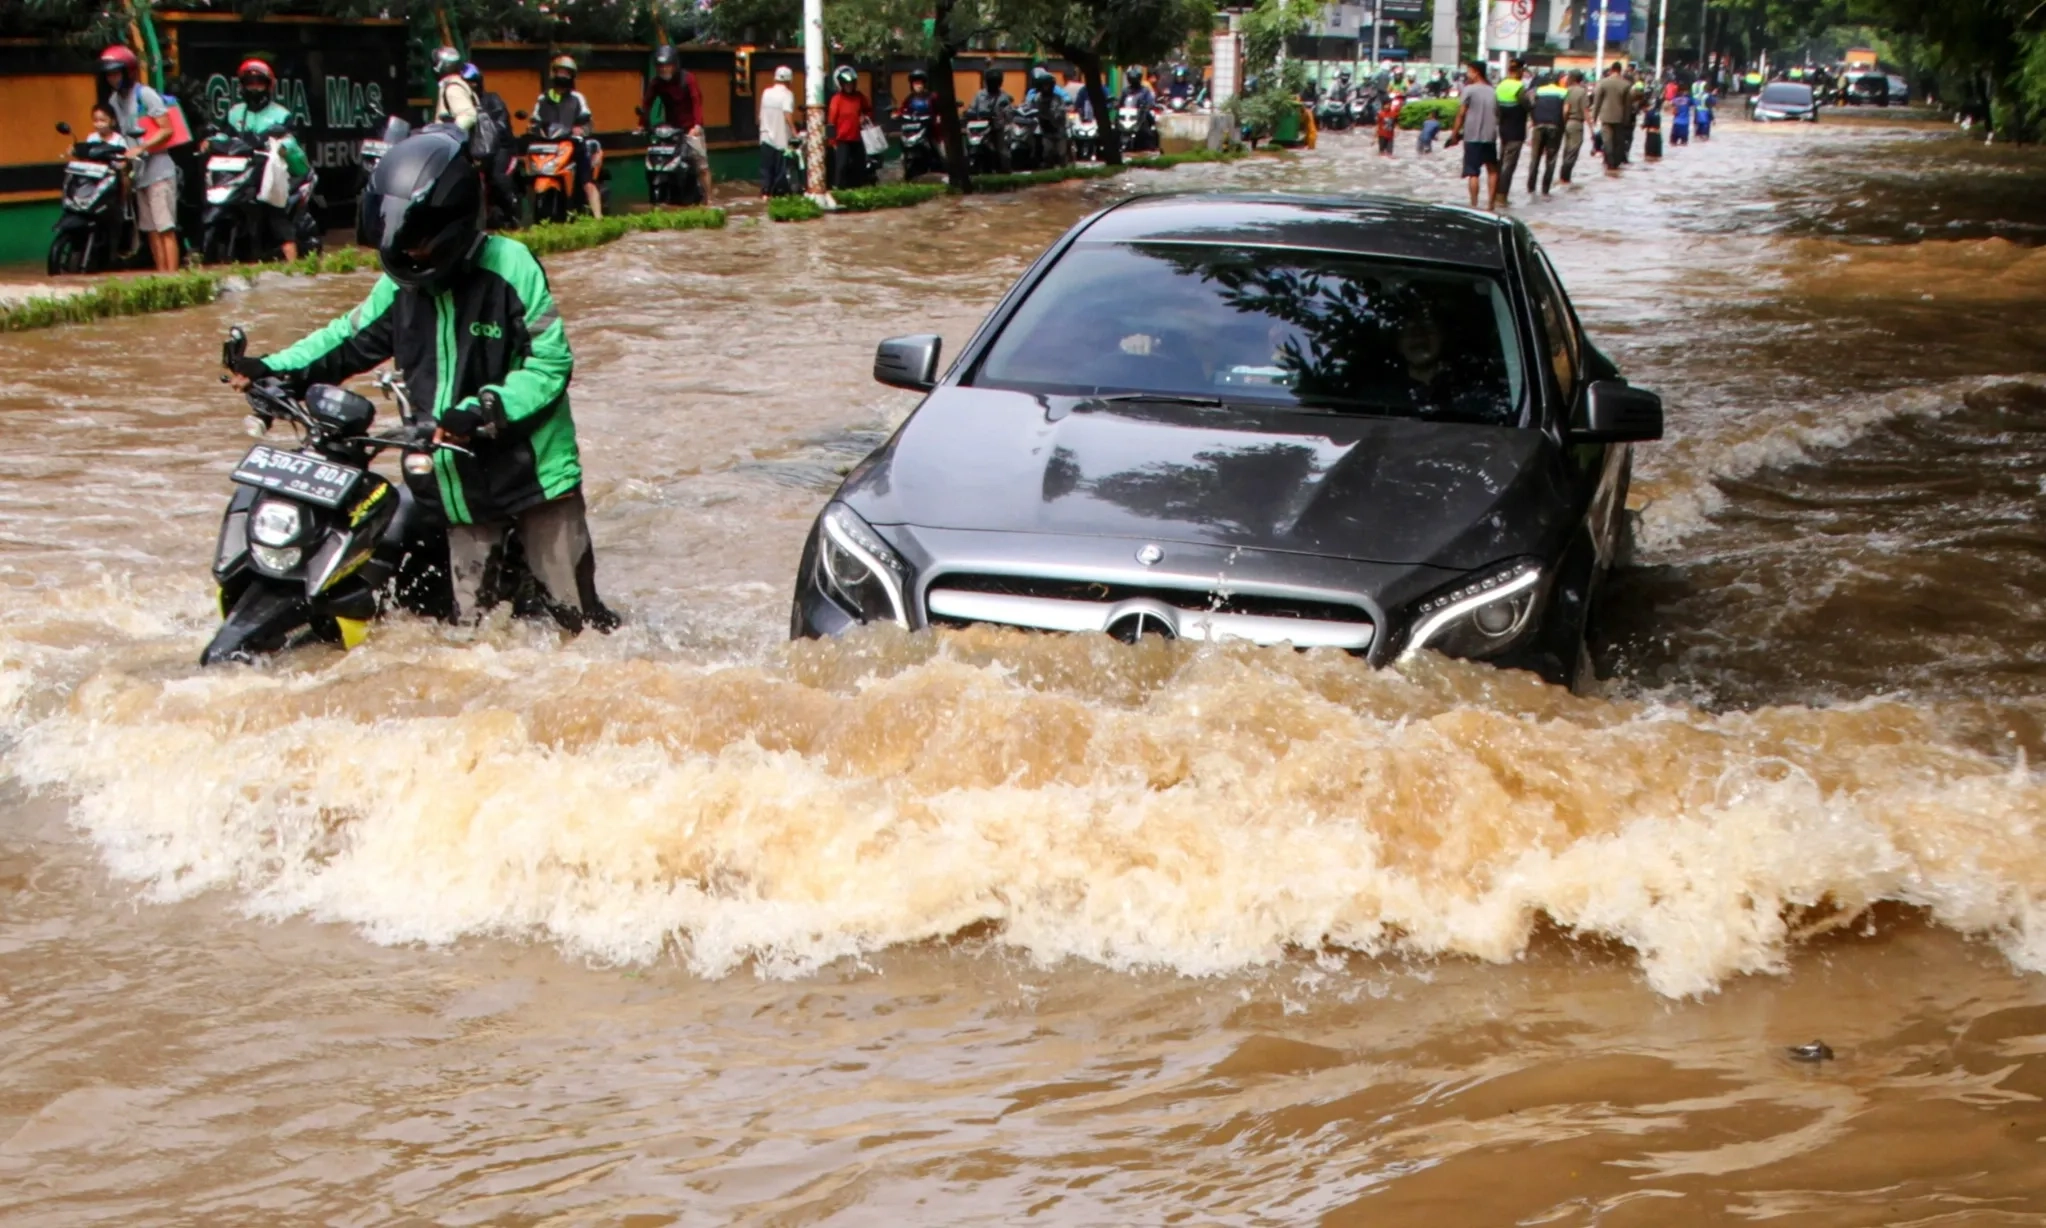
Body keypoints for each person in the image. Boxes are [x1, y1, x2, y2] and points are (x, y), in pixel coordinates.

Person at [226, 130, 611, 633]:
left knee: (574, 626)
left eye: (421, 239)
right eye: (401, 240)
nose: (412, 251)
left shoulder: (510, 266)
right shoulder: (400, 287)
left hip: (532, 478)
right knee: (478, 633)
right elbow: (347, 338)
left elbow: (550, 364)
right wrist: (273, 369)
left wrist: (486, 408)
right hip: (456, 484)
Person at [99, 44, 180, 273]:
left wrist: (142, 147)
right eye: (109, 74)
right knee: (150, 230)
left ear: (128, 71)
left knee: (165, 228)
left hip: (159, 171)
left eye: (116, 73)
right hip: (140, 174)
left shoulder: (145, 95)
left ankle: (173, 278)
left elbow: (167, 129)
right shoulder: (115, 100)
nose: (113, 79)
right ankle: (162, 275)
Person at [224, 59, 310, 261]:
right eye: (249, 83)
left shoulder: (281, 115)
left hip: (272, 176)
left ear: (268, 86)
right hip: (240, 173)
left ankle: (293, 265)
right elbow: (224, 137)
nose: (254, 88)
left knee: (276, 215)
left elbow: (293, 145)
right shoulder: (235, 113)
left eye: (258, 83)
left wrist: (281, 143)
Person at [641, 45, 712, 206]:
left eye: (667, 65)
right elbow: (647, 102)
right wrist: (642, 124)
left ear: (675, 65)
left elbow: (696, 102)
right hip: (670, 129)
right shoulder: (657, 82)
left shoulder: (688, 79)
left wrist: (697, 125)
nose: (664, 69)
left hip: (690, 128)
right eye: (660, 67)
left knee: (701, 164)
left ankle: (709, 199)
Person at [534, 55, 601, 218]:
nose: (562, 76)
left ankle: (599, 218)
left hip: (573, 144)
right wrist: (533, 127)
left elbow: (587, 120)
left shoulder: (577, 98)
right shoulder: (543, 99)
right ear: (553, 74)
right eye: (560, 72)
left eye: (566, 73)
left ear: (572, 76)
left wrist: (579, 129)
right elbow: (535, 118)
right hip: (549, 146)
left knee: (587, 182)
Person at [463, 62, 518, 227]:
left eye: (473, 82)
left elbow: (501, 128)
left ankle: (512, 213)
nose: (470, 86)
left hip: (499, 148)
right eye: (466, 83)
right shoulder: (462, 105)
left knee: (498, 178)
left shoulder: (492, 100)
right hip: (471, 149)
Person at [1447, 60, 1500, 211]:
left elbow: (1461, 113)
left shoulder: (1469, 90)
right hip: (1490, 137)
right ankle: (1490, 205)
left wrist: (1454, 134)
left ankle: (1474, 205)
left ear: (1476, 72)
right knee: (1492, 170)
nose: (1467, 74)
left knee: (1473, 172)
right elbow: (1498, 114)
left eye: (1469, 71)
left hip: (1472, 136)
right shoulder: (1492, 90)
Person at [825, 65, 872, 189]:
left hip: (857, 138)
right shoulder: (837, 99)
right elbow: (831, 121)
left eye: (851, 83)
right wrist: (832, 141)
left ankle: (858, 189)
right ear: (841, 84)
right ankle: (839, 189)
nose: (849, 86)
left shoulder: (859, 97)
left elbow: (869, 110)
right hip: (842, 139)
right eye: (846, 84)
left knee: (859, 166)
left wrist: (865, 117)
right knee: (841, 166)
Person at [757, 65, 798, 196]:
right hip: (780, 141)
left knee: (766, 169)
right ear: (789, 80)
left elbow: (760, 116)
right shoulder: (787, 94)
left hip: (765, 137)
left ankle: (765, 195)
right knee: (780, 173)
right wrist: (794, 132)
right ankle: (777, 196)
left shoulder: (766, 92)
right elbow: (787, 114)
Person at [1494, 59, 1528, 207]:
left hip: (1503, 130)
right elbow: (1528, 105)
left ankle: (1494, 194)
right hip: (1517, 131)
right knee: (1509, 165)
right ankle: (1501, 197)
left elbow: (1496, 110)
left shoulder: (1500, 86)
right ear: (1520, 71)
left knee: (1501, 162)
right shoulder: (1519, 87)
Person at [1526, 73, 1566, 197]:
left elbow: (1530, 105)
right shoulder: (1563, 92)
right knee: (1551, 159)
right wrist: (1561, 126)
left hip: (1538, 125)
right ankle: (1545, 189)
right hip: (1554, 126)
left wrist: (1533, 120)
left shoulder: (1537, 91)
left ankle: (1531, 188)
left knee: (1535, 158)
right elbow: (1565, 111)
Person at [969, 67, 1017, 168]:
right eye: (991, 82)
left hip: (997, 128)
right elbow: (972, 109)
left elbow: (1009, 114)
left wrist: (1002, 116)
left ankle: (1005, 171)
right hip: (980, 128)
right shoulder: (980, 95)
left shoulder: (1004, 97)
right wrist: (969, 114)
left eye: (995, 82)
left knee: (1002, 152)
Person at [1592, 62, 1631, 174]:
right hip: (1619, 118)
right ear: (1620, 70)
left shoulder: (1603, 83)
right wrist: (1626, 120)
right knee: (1618, 143)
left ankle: (1609, 164)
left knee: (1607, 141)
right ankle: (1616, 165)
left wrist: (1594, 118)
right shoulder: (1626, 84)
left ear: (1611, 70)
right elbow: (1627, 105)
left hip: (1605, 117)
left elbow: (1597, 102)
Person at [432, 45, 477, 134]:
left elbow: (468, 116)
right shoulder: (455, 83)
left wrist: (450, 134)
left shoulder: (453, 88)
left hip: (456, 144)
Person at [1559, 69, 1589, 184]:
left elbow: (1565, 110)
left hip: (1567, 123)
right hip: (1577, 123)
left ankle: (1563, 177)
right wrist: (1591, 129)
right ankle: (1565, 178)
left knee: (1567, 150)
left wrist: (1563, 123)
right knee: (1573, 152)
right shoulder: (1582, 92)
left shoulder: (1566, 90)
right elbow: (1586, 111)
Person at [1374, 89, 1402, 156]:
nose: (1387, 106)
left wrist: (1398, 130)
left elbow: (1396, 123)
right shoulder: (1380, 114)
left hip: (1390, 136)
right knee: (1381, 153)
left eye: (1389, 104)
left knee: (1390, 154)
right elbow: (1377, 125)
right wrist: (1375, 137)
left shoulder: (1393, 113)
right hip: (1382, 136)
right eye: (1386, 105)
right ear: (1383, 105)